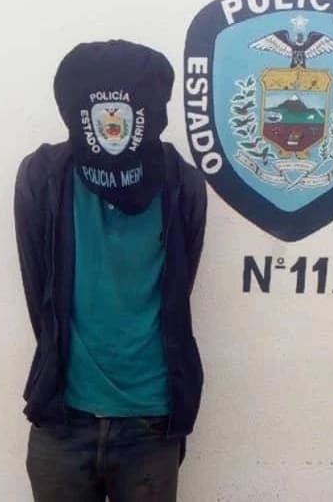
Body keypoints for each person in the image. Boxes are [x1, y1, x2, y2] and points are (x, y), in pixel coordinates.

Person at [14, 40, 207, 502]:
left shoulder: (181, 184)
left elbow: (179, 291)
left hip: (149, 424)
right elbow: (40, 291)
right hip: (63, 420)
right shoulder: (43, 178)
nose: (112, 127)